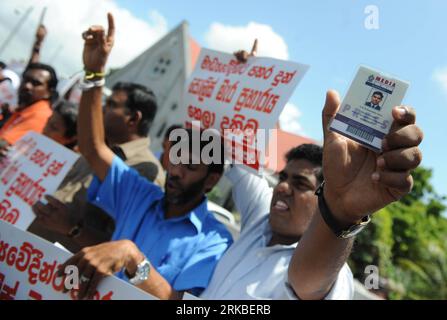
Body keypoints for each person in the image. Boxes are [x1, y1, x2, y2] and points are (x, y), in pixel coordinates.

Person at [197, 45, 423, 300]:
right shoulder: (260, 218)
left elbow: (309, 283)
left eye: (300, 184)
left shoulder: (333, 275)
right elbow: (233, 145)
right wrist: (242, 77)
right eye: (283, 178)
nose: (282, 188)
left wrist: (343, 211)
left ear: (322, 196)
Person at [58, 13, 233, 300]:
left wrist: (133, 259)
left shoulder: (214, 240)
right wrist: (94, 75)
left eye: (190, 165)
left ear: (211, 180)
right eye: (174, 159)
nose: (176, 171)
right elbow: (92, 148)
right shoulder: (138, 193)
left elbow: (180, 302)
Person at [29, 82, 166, 253]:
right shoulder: (94, 149)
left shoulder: (145, 172)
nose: (101, 109)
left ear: (133, 119)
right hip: (25, 253)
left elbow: (124, 249)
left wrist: (73, 228)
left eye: (111, 105)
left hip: (61, 270)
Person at [0, 62, 58, 151]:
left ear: (49, 92)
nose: (27, 86)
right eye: (25, 80)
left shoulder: (40, 115)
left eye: (36, 83)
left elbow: (4, 144)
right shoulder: (24, 109)